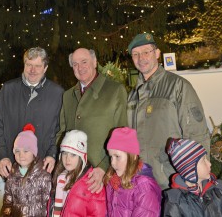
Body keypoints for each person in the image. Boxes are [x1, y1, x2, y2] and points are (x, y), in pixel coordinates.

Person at [127, 32, 210, 189]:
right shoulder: (132, 96)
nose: (141, 58)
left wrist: (197, 177)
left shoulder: (178, 86)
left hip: (171, 181)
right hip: (140, 181)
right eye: (135, 54)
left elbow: (197, 133)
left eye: (146, 52)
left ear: (157, 53)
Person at [58, 47, 127, 192]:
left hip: (103, 176)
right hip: (74, 176)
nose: (80, 67)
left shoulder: (115, 91)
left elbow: (122, 136)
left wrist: (104, 168)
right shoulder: (68, 96)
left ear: (95, 62)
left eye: (84, 62)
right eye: (75, 64)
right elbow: (62, 133)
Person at [0, 47, 64, 178]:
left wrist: (52, 155)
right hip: (11, 168)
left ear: (45, 68)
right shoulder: (8, 89)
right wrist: (2, 156)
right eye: (29, 65)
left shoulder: (57, 93)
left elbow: (60, 129)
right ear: (24, 65)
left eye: (37, 66)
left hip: (43, 168)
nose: (32, 70)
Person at [163, 137, 222, 216]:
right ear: (190, 169)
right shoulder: (175, 201)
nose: (209, 164)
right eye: (203, 160)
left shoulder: (217, 189)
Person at [104, 127, 161, 216]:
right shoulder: (113, 181)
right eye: (111, 157)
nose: (112, 163)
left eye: (117, 156)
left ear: (133, 156)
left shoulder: (144, 188)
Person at [48, 130, 106, 216]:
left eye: (73, 155)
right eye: (65, 153)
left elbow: (97, 213)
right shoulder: (59, 178)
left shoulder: (92, 182)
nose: (67, 159)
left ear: (82, 157)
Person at [0, 123, 52, 217]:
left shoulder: (43, 175)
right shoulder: (12, 174)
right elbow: (8, 199)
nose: (21, 155)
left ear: (33, 153)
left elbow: (48, 201)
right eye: (17, 151)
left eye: (26, 151)